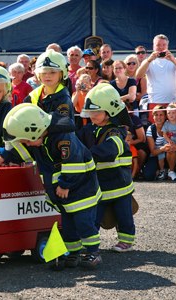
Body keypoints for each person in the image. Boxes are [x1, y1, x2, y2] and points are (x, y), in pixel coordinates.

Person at [0, 103, 103, 268]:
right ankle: (74, 254)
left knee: (84, 224)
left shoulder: (64, 139)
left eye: (27, 140)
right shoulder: (39, 140)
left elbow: (74, 163)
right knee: (69, 228)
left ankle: (94, 253)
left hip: (82, 192)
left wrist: (65, 185)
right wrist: (3, 157)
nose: (27, 144)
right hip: (65, 195)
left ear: (35, 132)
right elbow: (22, 153)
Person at [77, 83, 135, 253]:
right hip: (99, 186)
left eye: (96, 112)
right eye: (90, 112)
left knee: (124, 216)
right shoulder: (89, 129)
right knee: (93, 216)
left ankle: (126, 241)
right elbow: (75, 143)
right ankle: (89, 242)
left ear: (110, 112)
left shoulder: (116, 132)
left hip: (119, 185)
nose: (91, 115)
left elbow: (108, 152)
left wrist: (85, 155)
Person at [136, 34, 176, 108]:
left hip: (171, 102)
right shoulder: (148, 61)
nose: (161, 47)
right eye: (158, 45)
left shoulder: (173, 60)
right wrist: (149, 60)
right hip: (154, 101)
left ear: (167, 47)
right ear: (153, 47)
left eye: (164, 45)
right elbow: (138, 75)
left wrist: (172, 59)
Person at [24, 49, 74, 121]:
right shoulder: (33, 96)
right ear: (38, 74)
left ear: (62, 73)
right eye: (44, 72)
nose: (47, 75)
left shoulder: (64, 98)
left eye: (53, 72)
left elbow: (64, 125)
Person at [144, 105, 172, 181]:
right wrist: (163, 148)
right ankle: (161, 171)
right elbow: (153, 152)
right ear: (153, 116)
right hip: (156, 155)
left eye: (161, 115)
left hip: (170, 154)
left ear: (165, 116)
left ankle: (172, 170)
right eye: (156, 115)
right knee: (148, 176)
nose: (158, 117)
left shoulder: (171, 126)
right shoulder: (151, 129)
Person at [161, 103, 176, 180]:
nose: (171, 115)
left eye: (173, 112)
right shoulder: (166, 124)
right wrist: (170, 141)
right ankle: (171, 171)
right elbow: (164, 134)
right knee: (170, 151)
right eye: (169, 113)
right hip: (169, 145)